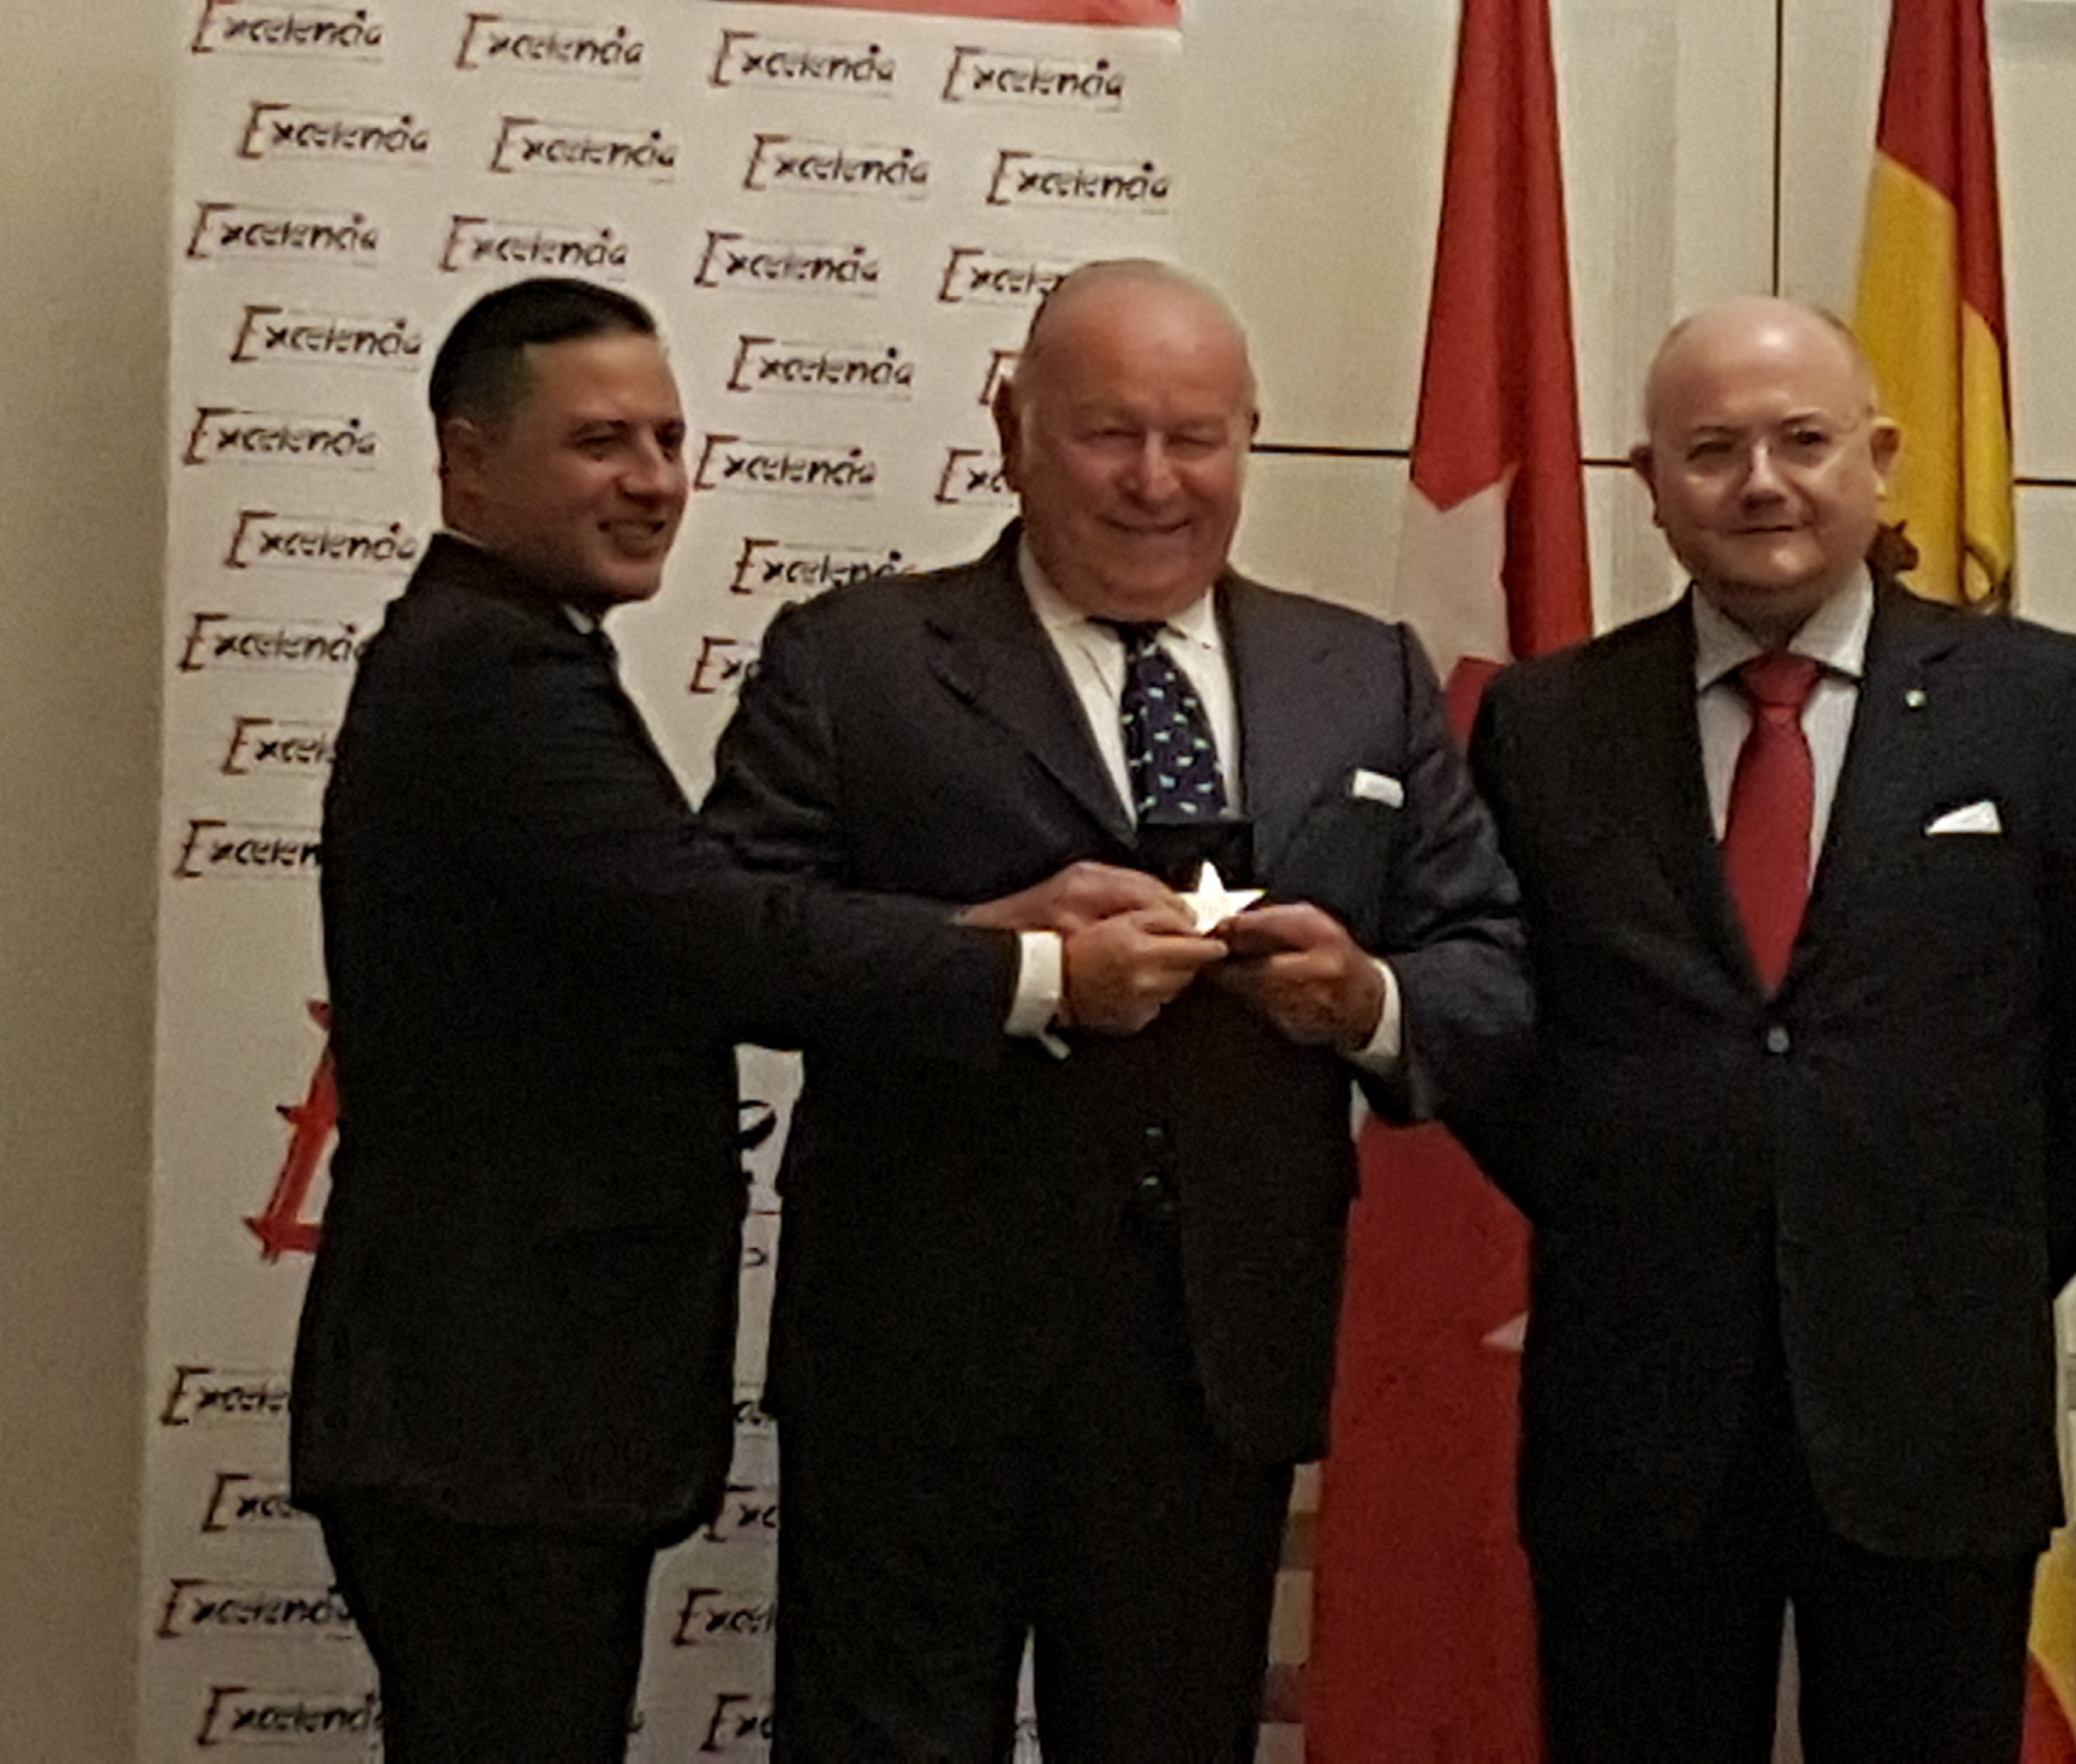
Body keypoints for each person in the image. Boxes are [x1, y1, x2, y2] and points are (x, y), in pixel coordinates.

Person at [700, 258, 1527, 1760]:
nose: (1157, 482)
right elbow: (735, 946)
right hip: (916, 1365)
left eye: (1196, 438)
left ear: (1248, 439)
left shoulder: (1364, 676)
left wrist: (1367, 1001)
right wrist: (1016, 970)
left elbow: (1489, 966)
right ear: (1013, 430)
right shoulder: (856, 661)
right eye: (1109, 434)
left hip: (1213, 1372)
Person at [1465, 295, 2076, 1762]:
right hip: (1639, 1415)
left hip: (1935, 1420)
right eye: (1712, 451)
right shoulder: (1547, 726)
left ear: (1880, 458)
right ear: (1649, 485)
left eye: (1803, 441)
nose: (1763, 483)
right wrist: (1650, 1213)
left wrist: (1955, 1256)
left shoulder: (2042, 706)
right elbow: (1497, 1043)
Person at [288, 278, 1014, 1761]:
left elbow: (686, 920)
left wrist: (989, 932)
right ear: (467, 460)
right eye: (599, 442)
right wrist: (1030, 971)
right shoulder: (493, 672)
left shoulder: (511, 647)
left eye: (670, 439)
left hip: (500, 1416)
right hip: (490, 1419)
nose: (652, 481)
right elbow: (717, 939)